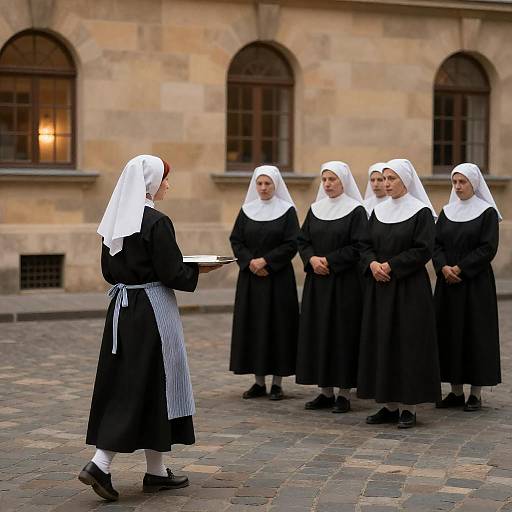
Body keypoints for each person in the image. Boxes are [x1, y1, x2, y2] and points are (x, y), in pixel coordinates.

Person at [79, 155, 219, 501]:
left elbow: (108, 270)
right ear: (151, 183)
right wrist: (197, 271)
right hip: (152, 312)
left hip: (122, 311)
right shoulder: (157, 221)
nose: (168, 185)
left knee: (143, 385)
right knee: (143, 386)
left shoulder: (113, 220)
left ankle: (156, 471)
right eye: (165, 179)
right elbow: (171, 271)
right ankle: (100, 463)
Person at [357, 158, 441, 428]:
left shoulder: (421, 212)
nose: (385, 183)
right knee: (382, 342)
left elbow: (423, 249)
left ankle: (409, 407)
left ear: (405, 180)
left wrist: (391, 265)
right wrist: (371, 263)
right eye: (383, 179)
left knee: (407, 344)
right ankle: (388, 405)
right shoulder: (378, 211)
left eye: (391, 178)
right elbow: (365, 244)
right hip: (380, 288)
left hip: (408, 289)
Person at [296, 161, 367, 413]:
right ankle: (325, 391)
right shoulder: (316, 209)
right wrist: (312, 259)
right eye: (324, 179)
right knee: (320, 333)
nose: (327, 184)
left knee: (342, 335)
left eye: (332, 179)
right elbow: (303, 241)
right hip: (318, 283)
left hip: (345, 284)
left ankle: (344, 393)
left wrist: (330, 260)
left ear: (343, 181)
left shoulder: (356, 210)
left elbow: (359, 246)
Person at [434, 163, 501, 412]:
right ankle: (455, 391)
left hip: (475, 284)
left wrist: (460, 268)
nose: (458, 187)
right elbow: (436, 244)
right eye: (455, 182)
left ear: (474, 184)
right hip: (448, 284)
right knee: (450, 332)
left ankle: (475, 393)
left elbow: (487, 248)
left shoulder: (487, 213)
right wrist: (443, 267)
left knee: (475, 335)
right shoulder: (447, 211)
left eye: (463, 182)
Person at [229, 165, 300, 400]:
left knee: (278, 327)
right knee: (255, 326)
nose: (263, 188)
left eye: (267, 183)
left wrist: (267, 261)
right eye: (259, 183)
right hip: (251, 279)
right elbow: (236, 240)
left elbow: (292, 243)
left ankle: (277, 383)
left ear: (276, 185)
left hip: (278, 279)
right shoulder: (247, 209)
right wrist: (250, 262)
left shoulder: (287, 210)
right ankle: (258, 381)